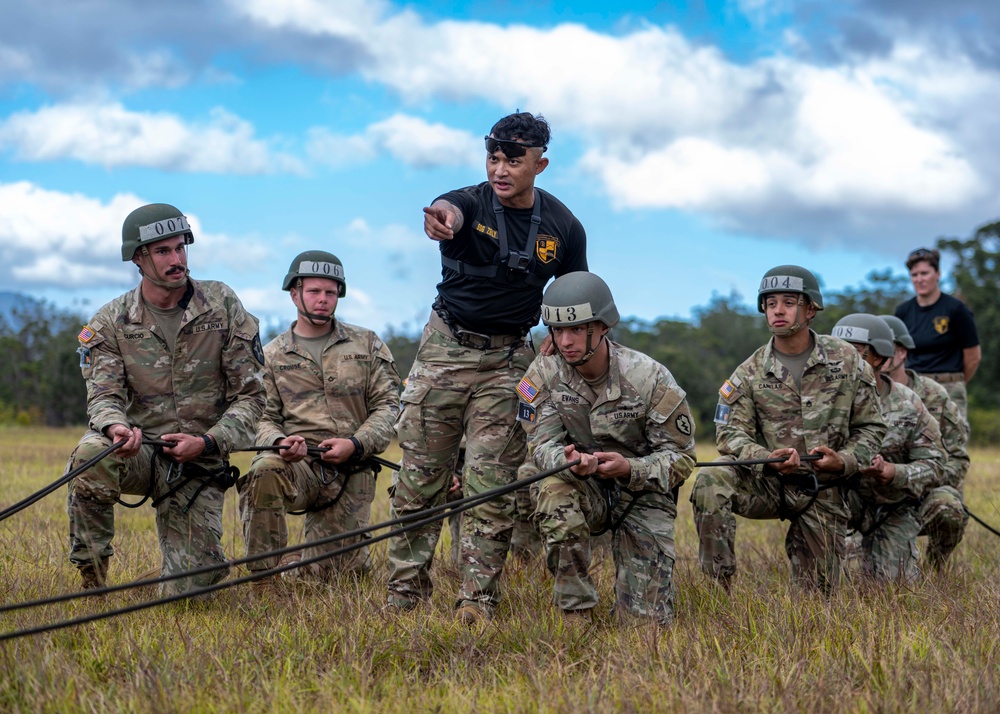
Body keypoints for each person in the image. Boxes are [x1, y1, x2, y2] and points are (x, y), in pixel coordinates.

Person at [387, 112, 588, 622]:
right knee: (420, 482)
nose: (500, 169)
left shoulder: (564, 226)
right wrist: (440, 219)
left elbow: (575, 297)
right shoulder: (468, 201)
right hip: (445, 350)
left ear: (540, 164)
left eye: (512, 160)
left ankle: (477, 600)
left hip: (507, 360)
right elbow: (445, 210)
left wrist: (551, 341)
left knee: (490, 485)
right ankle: (404, 596)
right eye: (493, 157)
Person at [67, 203, 265, 593]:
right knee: (90, 454)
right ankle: (93, 584)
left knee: (192, 589)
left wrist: (209, 441)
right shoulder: (110, 321)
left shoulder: (222, 304)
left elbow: (251, 397)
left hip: (200, 459)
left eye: (180, 247)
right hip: (138, 452)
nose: (177, 260)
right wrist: (116, 427)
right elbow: (103, 395)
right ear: (138, 258)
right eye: (163, 251)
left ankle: (173, 577)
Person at [690, 266, 886, 595]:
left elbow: (871, 426)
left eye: (789, 302)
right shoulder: (748, 372)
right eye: (770, 303)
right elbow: (729, 435)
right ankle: (718, 587)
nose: (778, 310)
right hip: (768, 483)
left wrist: (845, 460)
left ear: (810, 309)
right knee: (712, 478)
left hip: (824, 488)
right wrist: (766, 457)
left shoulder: (848, 360)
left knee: (815, 601)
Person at [527, 273, 696, 625]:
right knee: (551, 489)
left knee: (643, 627)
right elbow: (540, 444)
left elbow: (681, 459)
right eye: (557, 331)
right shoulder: (544, 372)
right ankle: (575, 611)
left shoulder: (649, 377)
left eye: (576, 330)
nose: (566, 341)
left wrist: (631, 469)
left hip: (642, 495)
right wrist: (567, 461)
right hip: (583, 487)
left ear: (602, 327)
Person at [238, 252, 401, 584]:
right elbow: (259, 417)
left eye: (330, 292)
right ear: (294, 293)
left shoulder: (366, 344)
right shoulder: (270, 356)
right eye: (314, 291)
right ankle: (264, 581)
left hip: (351, 469)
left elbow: (388, 407)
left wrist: (356, 444)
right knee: (263, 471)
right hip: (298, 467)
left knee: (336, 579)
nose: (323, 300)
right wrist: (280, 443)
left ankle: (301, 560)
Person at [832, 314, 945, 583]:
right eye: (837, 351)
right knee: (825, 586)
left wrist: (893, 471)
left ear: (879, 358)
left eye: (855, 352)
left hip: (892, 506)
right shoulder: (819, 401)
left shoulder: (907, 403)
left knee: (896, 588)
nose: (843, 360)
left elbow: (935, 465)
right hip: (837, 505)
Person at [879, 314, 970, 569]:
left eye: (891, 347)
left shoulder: (932, 395)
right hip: (872, 497)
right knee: (871, 579)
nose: (884, 353)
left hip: (922, 493)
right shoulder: (859, 395)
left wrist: (916, 480)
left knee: (948, 507)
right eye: (877, 346)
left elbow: (957, 458)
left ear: (903, 352)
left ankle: (936, 564)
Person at [895, 247, 980, 423]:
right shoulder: (903, 311)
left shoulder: (956, 309)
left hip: (948, 387)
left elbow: (973, 357)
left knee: (951, 446)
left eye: (925, 273)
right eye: (914, 275)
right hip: (914, 387)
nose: (919, 279)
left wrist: (956, 383)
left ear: (938, 273)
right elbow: (897, 354)